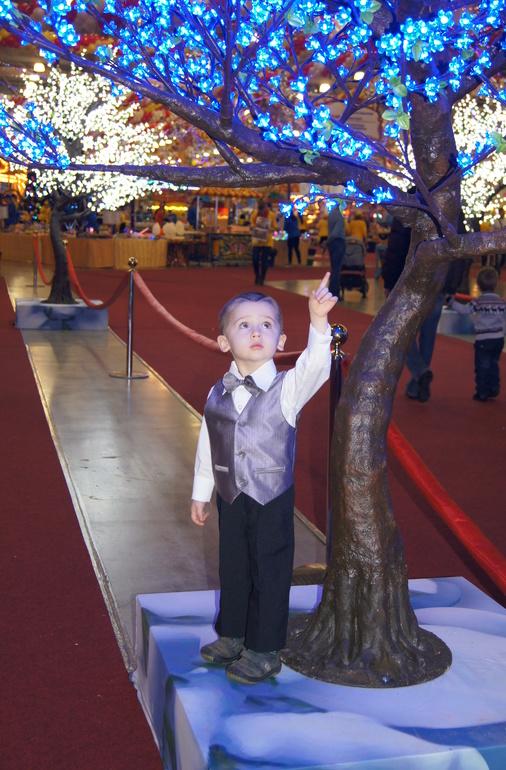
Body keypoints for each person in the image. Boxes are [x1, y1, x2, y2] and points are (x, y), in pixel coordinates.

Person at [191, 274, 337, 684]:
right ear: (224, 342)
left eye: (266, 325)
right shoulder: (216, 393)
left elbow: (317, 366)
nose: (256, 332)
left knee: (270, 571)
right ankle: (233, 633)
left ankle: (265, 648)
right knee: (234, 567)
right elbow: (208, 443)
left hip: (270, 497)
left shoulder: (288, 389)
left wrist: (318, 321)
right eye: (244, 325)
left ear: (281, 340)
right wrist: (201, 492)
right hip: (229, 495)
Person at [380, 213, 465, 402]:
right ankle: (418, 382)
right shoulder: (452, 206)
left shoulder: (410, 204)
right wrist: (453, 285)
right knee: (428, 334)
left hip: (411, 280)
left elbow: (396, 247)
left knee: (402, 332)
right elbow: (459, 250)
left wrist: (390, 281)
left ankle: (420, 373)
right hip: (439, 281)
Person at [446, 267, 506, 401]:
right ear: (496, 284)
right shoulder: (503, 302)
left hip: (483, 340)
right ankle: (494, 387)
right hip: (498, 339)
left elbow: (464, 311)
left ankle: (482, 392)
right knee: (494, 364)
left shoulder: (478, 302)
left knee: (482, 366)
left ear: (479, 286)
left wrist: (451, 302)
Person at [250, 200, 276, 286]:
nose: (261, 211)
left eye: (263, 209)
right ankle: (257, 274)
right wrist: (255, 227)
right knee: (255, 259)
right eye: (260, 209)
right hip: (257, 241)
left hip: (267, 241)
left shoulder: (271, 215)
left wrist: (270, 229)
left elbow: (275, 227)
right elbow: (251, 225)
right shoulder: (255, 215)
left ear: (266, 207)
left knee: (265, 260)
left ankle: (262, 277)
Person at [326, 204, 346, 300]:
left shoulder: (331, 214)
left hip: (332, 244)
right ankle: (333, 292)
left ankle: (332, 291)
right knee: (336, 269)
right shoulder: (339, 216)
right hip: (338, 242)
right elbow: (335, 232)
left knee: (334, 268)